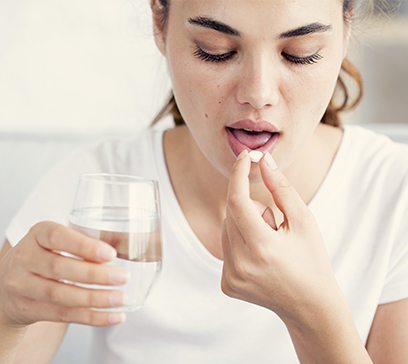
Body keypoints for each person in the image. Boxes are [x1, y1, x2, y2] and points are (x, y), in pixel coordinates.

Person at [1, 0, 407, 363]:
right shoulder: (96, 191)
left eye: (300, 55)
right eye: (215, 51)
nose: (258, 94)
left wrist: (312, 315)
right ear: (160, 22)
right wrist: (7, 314)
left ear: (346, 27)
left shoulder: (394, 192)